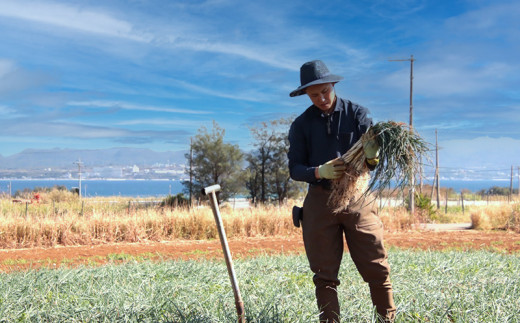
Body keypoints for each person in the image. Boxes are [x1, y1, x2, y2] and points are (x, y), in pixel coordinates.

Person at [288, 60, 396, 322]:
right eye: (314, 95)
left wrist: (373, 157)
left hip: (357, 198)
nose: (322, 98)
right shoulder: (301, 125)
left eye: (325, 91)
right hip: (319, 202)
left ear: (333, 85)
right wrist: (318, 172)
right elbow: (295, 168)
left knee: (376, 268)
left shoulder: (358, 114)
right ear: (306, 94)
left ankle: (387, 319)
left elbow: (371, 161)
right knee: (324, 275)